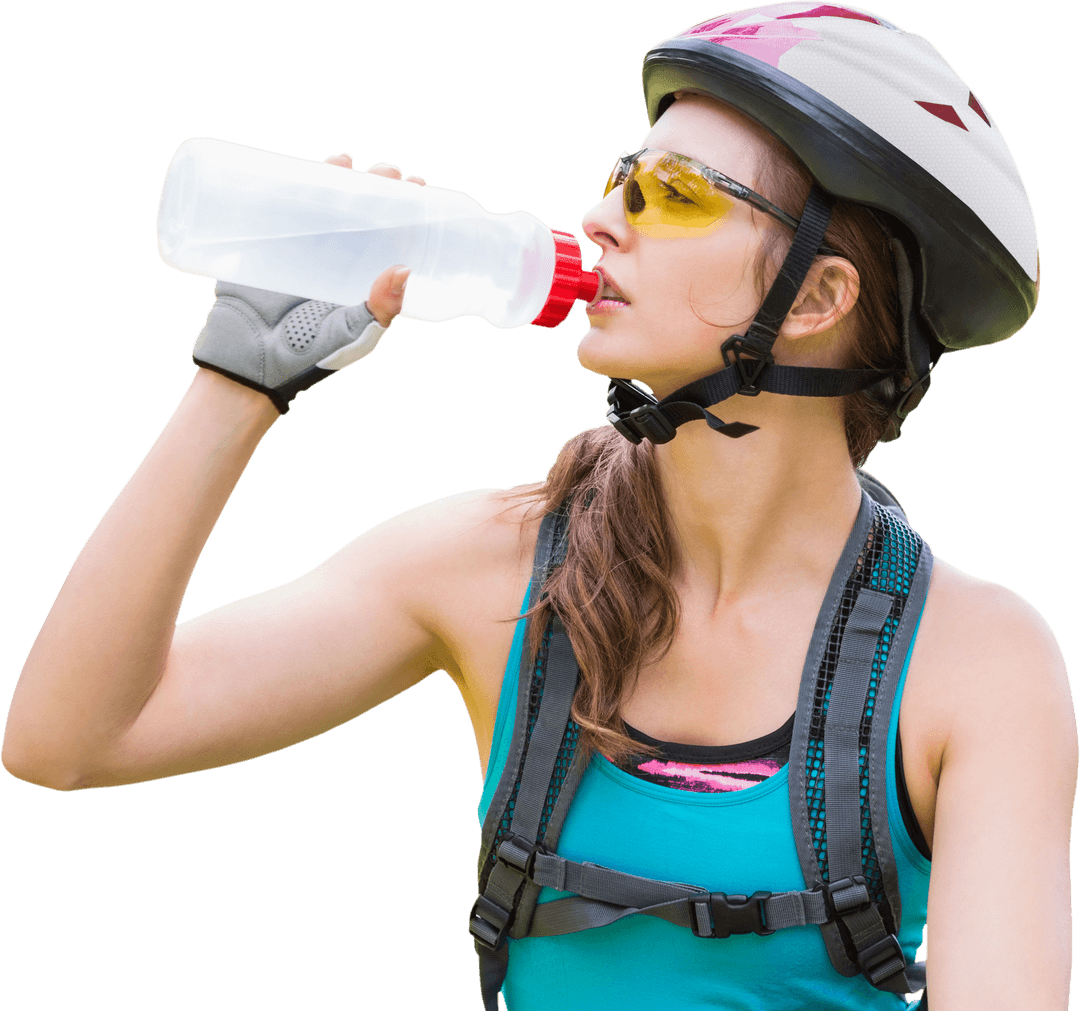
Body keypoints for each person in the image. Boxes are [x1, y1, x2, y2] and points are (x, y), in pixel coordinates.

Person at [3, 3, 1074, 1009]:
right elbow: (70, 737)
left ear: (818, 298)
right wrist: (237, 386)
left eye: (676, 192)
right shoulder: (494, 568)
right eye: (622, 178)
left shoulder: (973, 666)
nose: (603, 218)